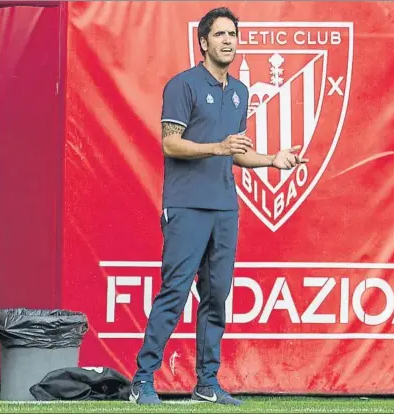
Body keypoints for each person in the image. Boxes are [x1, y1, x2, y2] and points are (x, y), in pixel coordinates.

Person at [130, 7, 308, 406]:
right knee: (174, 293)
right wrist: (219, 147)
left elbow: (236, 152)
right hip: (187, 206)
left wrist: (271, 160)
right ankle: (142, 380)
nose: (228, 40)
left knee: (216, 296)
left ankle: (207, 382)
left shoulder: (241, 91)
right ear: (203, 42)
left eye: (233, 34)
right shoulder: (183, 86)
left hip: (225, 208)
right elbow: (170, 143)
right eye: (220, 34)